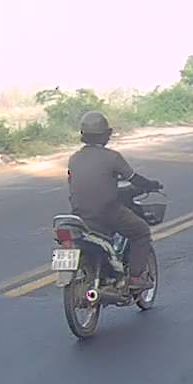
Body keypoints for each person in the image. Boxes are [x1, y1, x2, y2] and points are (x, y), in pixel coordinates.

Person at [66, 111, 162, 289]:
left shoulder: (74, 159)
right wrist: (152, 184)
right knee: (141, 231)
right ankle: (135, 278)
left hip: (79, 215)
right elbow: (134, 179)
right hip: (107, 213)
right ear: (106, 134)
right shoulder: (113, 157)